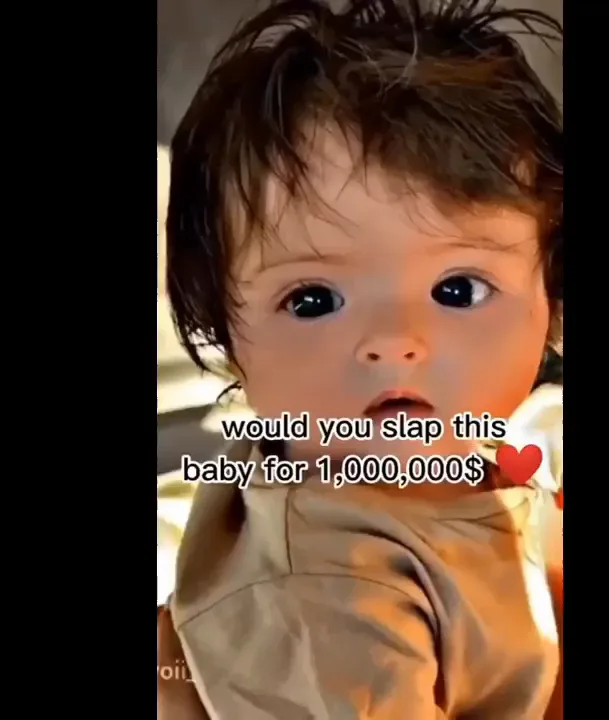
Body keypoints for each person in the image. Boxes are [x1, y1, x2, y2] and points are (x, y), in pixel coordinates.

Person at [161, 0, 564, 717]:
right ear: (225, 332)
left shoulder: (467, 454)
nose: (393, 341)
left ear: (552, 305)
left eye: (458, 289)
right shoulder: (330, 595)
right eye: (313, 300)